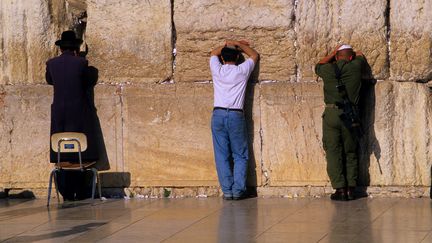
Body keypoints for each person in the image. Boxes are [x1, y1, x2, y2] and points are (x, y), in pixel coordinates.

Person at [46, 30, 97, 200]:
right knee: (80, 153)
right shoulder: (81, 63)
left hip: (59, 113)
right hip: (79, 113)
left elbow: (49, 80)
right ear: (76, 47)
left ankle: (66, 191)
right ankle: (81, 191)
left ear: (61, 49)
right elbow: (88, 81)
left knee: (62, 151)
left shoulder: (51, 63)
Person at [209, 40, 259, 200]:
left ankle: (228, 191)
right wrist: (238, 44)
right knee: (240, 154)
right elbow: (254, 55)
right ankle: (238, 191)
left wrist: (227, 43)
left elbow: (212, 53)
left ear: (223, 58)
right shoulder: (241, 71)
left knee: (221, 154)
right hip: (236, 115)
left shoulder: (217, 69)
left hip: (218, 115)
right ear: (237, 57)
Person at [315, 44, 366, 201]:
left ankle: (340, 189)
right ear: (350, 57)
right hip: (350, 115)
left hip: (331, 114)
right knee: (350, 151)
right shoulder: (356, 66)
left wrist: (333, 52)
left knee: (333, 152)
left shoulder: (328, 70)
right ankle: (351, 188)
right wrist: (350, 54)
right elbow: (361, 54)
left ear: (336, 57)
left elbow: (319, 65)